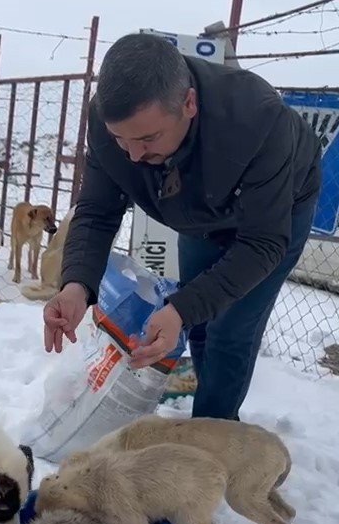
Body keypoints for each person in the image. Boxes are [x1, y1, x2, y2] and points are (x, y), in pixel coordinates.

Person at [43, 33, 321, 420]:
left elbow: (262, 243)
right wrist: (76, 284)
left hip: (275, 214)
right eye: (120, 139)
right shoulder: (112, 121)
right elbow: (96, 211)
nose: (134, 156)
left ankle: (213, 432)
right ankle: (209, 411)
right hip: (198, 210)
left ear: (189, 103)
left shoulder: (258, 120)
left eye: (147, 138)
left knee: (231, 330)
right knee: (200, 320)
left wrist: (180, 310)